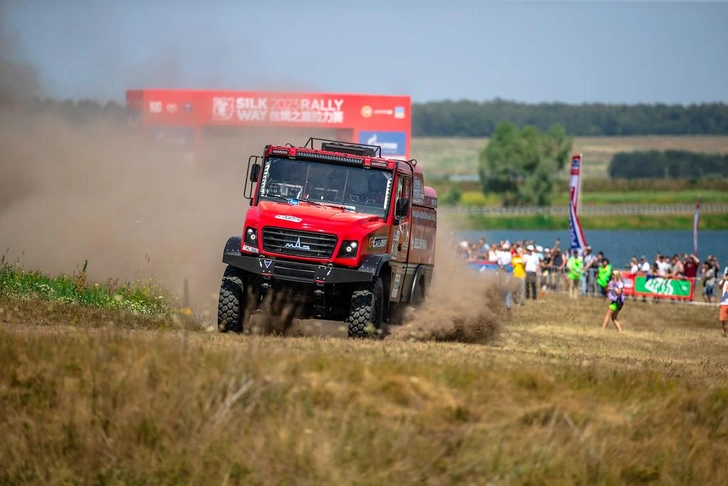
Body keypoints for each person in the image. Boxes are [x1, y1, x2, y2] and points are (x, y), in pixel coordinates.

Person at [719, 268, 728, 337]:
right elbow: (720, 286)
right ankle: (726, 333)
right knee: (723, 320)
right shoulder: (724, 281)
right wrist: (723, 280)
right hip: (724, 303)